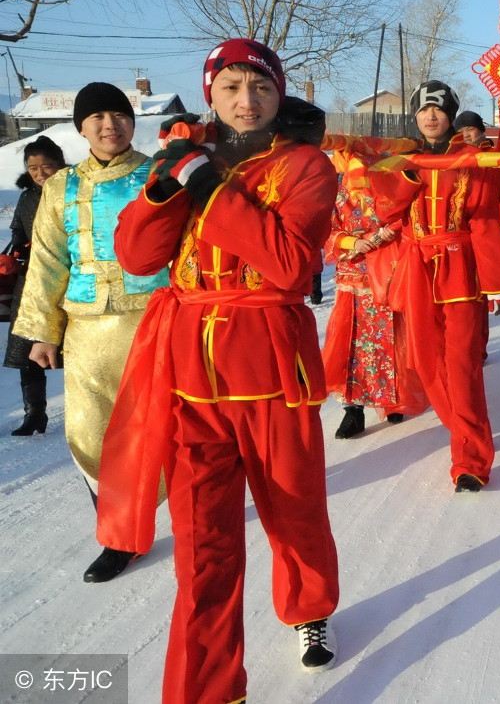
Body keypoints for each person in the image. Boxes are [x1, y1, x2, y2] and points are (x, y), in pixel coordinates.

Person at [96, 39, 342, 699]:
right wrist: (160, 187)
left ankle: (309, 607)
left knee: (294, 512)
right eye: (230, 87)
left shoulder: (305, 165)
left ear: (278, 94)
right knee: (202, 545)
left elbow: (289, 265)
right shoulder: (186, 158)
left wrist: (205, 183)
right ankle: (207, 689)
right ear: (210, 93)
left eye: (260, 87)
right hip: (190, 382)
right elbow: (138, 258)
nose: (246, 100)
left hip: (272, 371)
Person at [12, 84, 167, 581]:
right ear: (80, 128)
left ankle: (191, 515)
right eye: (97, 117)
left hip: (157, 322)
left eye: (119, 115)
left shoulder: (160, 174)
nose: (109, 125)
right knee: (91, 435)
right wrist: (42, 332)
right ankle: (119, 537)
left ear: (132, 122)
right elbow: (47, 261)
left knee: (168, 432)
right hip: (87, 332)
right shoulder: (60, 186)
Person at [369, 80, 500, 491]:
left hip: (460, 266)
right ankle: (463, 429)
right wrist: (405, 173)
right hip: (418, 267)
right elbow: (387, 211)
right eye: (423, 109)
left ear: (450, 114)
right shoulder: (404, 158)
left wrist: (497, 281)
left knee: (462, 364)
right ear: (414, 116)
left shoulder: (472, 159)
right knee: (428, 362)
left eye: (438, 109)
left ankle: (470, 459)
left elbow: (484, 219)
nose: (430, 116)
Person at [322, 138, 428, 439]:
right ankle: (352, 409)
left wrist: (383, 234)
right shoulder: (336, 193)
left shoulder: (388, 184)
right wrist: (352, 242)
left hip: (386, 270)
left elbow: (406, 215)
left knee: (392, 337)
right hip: (353, 275)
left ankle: (393, 397)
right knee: (349, 342)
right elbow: (326, 229)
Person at [6, 136, 67, 436]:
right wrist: (18, 249)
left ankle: (86, 413)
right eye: (33, 168)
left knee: (76, 350)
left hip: (69, 279)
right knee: (27, 348)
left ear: (61, 165)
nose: (40, 173)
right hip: (30, 282)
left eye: (47, 166)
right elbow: (18, 230)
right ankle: (34, 414)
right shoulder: (27, 197)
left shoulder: (74, 190)